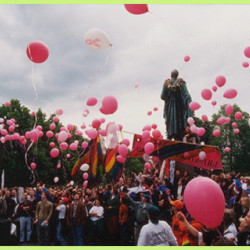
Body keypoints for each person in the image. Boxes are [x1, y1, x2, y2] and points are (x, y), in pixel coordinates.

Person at [161, 69, 193, 141]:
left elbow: (162, 96)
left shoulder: (166, 84)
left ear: (171, 75)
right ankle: (179, 139)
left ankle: (169, 136)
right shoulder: (181, 83)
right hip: (179, 108)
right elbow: (187, 96)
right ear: (177, 75)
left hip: (169, 108)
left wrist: (168, 97)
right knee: (179, 125)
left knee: (170, 124)